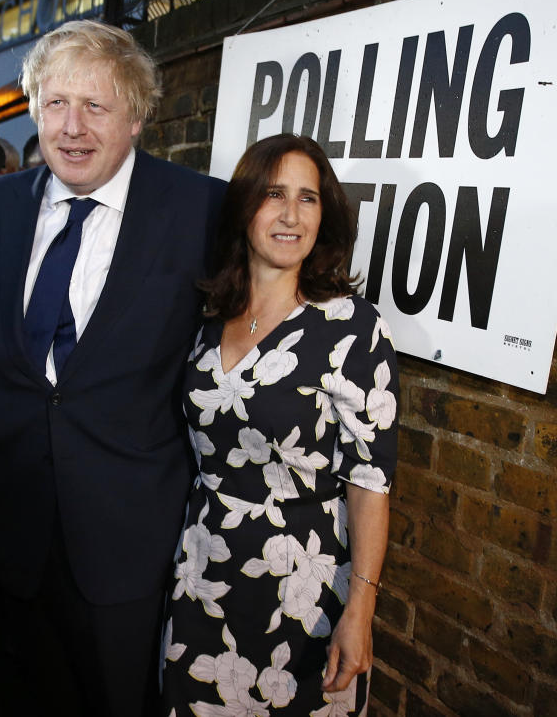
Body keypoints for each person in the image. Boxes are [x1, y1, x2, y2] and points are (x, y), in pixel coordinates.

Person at [0, 19, 226, 717]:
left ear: (135, 117)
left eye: (95, 106)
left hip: (131, 532)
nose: (71, 128)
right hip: (14, 520)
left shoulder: (201, 210)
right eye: (55, 103)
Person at [159, 134, 398, 716]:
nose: (291, 215)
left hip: (304, 591)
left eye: (308, 198)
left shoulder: (352, 329)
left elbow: (371, 482)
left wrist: (359, 611)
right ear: (245, 208)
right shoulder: (209, 317)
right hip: (203, 573)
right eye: (274, 194)